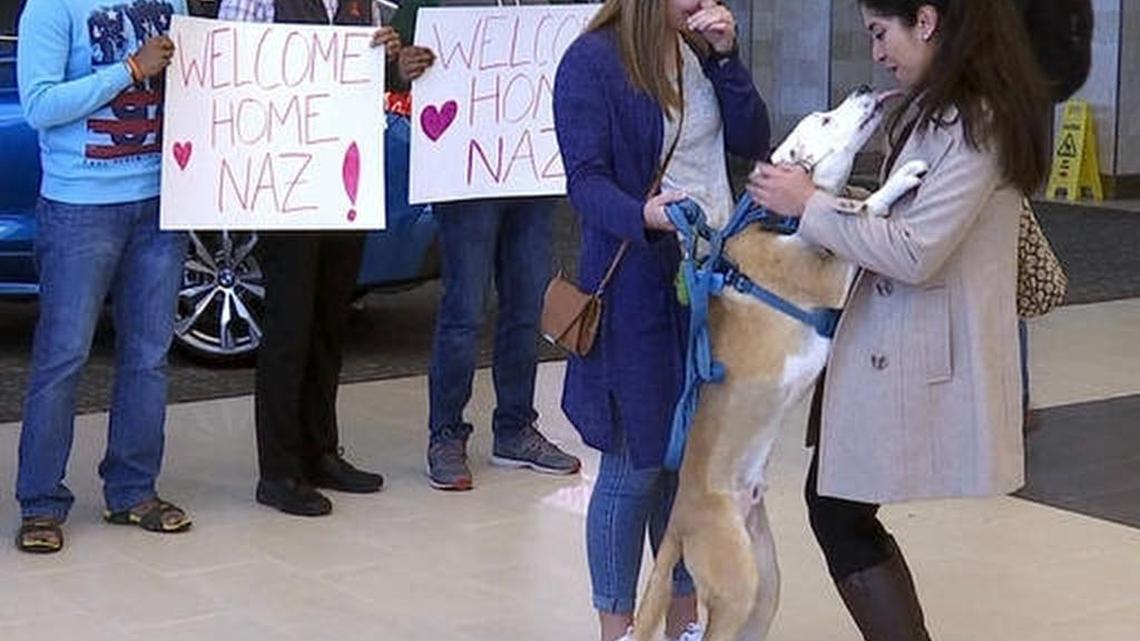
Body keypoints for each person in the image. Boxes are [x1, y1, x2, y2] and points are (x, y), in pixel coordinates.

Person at [748, 1, 1050, 638]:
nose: (878, 52)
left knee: (836, 511)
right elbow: (905, 221)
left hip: (916, 344)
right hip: (892, 338)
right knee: (836, 508)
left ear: (928, 20)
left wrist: (811, 206)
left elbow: (916, 250)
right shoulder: (943, 106)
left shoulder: (979, 119)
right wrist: (824, 202)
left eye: (881, 33)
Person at [554, 0, 770, 639]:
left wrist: (729, 58)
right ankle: (618, 626)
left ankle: (679, 623)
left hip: (708, 283)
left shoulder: (700, 51)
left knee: (687, 465)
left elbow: (752, 141)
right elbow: (584, 181)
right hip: (634, 290)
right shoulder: (592, 62)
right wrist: (644, 216)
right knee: (634, 463)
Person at [216, 0, 418, 516]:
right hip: (284, 179)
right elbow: (228, 63)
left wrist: (388, 62)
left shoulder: (365, 4)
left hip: (344, 178)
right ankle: (279, 470)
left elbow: (369, 85)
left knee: (330, 320)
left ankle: (321, 449)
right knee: (288, 324)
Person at [15, 0, 194, 553]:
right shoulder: (49, 7)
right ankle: (40, 503)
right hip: (80, 205)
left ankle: (133, 490)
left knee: (148, 355)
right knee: (63, 357)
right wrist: (130, 70)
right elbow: (39, 105)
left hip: (161, 200)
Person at [389, 0, 582, 492]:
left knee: (524, 308)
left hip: (531, 171)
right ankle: (446, 434)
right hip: (464, 176)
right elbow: (389, 67)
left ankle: (515, 428)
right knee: (464, 311)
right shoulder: (430, 2)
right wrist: (401, 68)